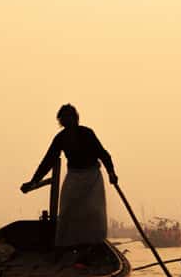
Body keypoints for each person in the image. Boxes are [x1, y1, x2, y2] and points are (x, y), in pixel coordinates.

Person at [20, 104, 117, 248]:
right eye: (65, 119)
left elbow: (103, 154)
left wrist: (111, 173)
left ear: (76, 119)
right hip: (74, 176)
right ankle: (66, 246)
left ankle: (95, 246)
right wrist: (33, 182)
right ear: (62, 122)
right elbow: (47, 162)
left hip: (92, 177)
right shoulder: (61, 138)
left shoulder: (87, 133)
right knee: (66, 211)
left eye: (71, 118)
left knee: (94, 213)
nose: (69, 121)